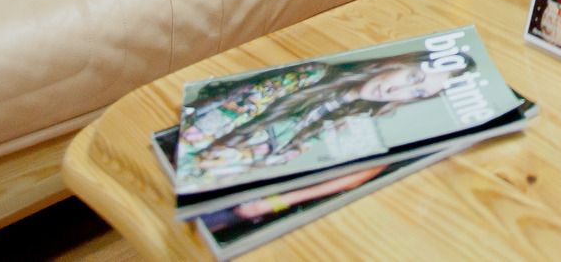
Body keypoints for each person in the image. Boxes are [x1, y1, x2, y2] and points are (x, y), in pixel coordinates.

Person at [179, 49, 464, 179]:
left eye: (417, 93)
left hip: (206, 172)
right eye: (412, 77)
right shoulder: (315, 75)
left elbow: (278, 159)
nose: (397, 91)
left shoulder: (351, 117)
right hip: (187, 152)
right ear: (401, 62)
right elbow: (225, 116)